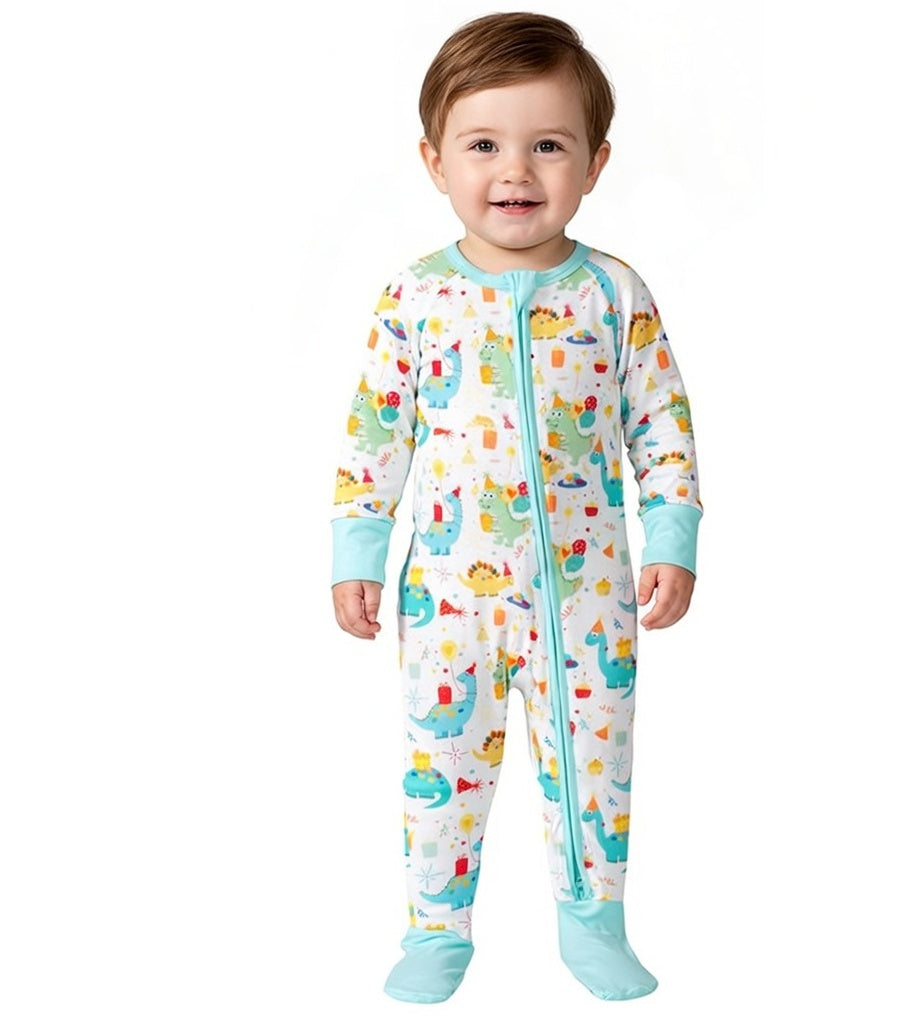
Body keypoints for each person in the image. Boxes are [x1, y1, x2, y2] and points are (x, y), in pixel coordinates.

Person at [330, 12, 702, 1003]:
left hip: (588, 595)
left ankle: (594, 924)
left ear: (594, 163)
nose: (516, 171)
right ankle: (435, 930)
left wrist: (671, 534)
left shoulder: (613, 294)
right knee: (442, 761)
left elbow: (661, 424)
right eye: (484, 145)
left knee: (595, 764)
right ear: (434, 160)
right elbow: (374, 436)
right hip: (448, 598)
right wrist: (358, 551)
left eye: (548, 146)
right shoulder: (414, 298)